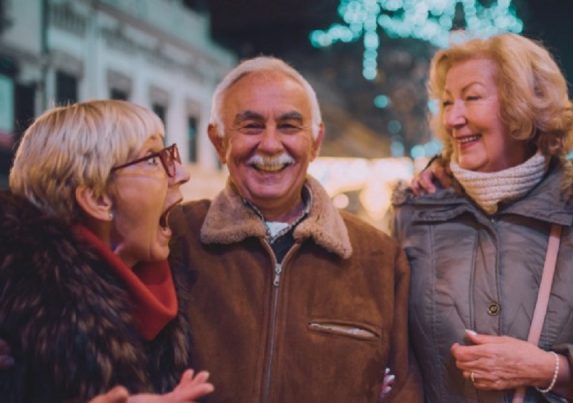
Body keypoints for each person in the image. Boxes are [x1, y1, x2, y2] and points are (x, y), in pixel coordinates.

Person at [391, 33, 573, 403]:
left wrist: (547, 369)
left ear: (523, 104)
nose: (452, 118)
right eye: (446, 102)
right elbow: (390, 356)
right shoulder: (414, 213)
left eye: (472, 98)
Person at [165, 56, 420, 402]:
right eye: (251, 126)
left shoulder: (378, 257)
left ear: (315, 142)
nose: (271, 145)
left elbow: (404, 392)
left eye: (288, 126)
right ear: (218, 140)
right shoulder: (174, 238)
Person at [0, 100, 213, 401]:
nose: (181, 173)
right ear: (98, 199)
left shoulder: (168, 285)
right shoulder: (3, 305)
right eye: (153, 159)